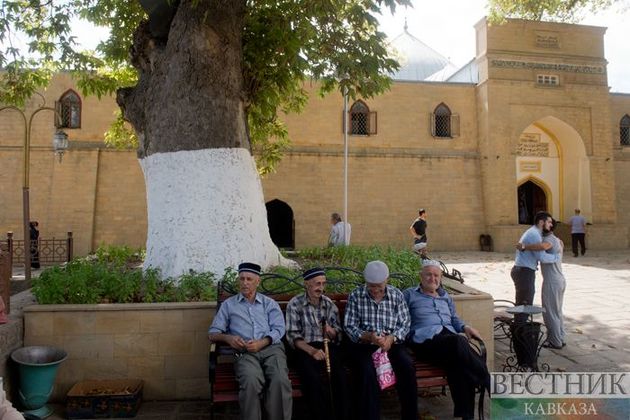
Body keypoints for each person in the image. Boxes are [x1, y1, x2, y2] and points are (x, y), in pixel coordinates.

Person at [404, 260, 490, 420]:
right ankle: (487, 379)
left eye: (436, 275)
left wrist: (466, 327)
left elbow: (455, 319)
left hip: (449, 342)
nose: (433, 278)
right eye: (428, 274)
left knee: (459, 362)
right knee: (459, 343)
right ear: (420, 276)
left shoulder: (445, 297)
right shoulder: (409, 295)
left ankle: (466, 416)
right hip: (425, 342)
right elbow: (401, 320)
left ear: (440, 277)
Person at [208, 262, 292, 420]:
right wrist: (228, 338)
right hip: (244, 352)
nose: (245, 282)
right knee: (251, 381)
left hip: (271, 349)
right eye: (241, 279)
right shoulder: (229, 305)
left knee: (280, 380)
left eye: (249, 279)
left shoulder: (269, 304)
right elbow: (212, 333)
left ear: (257, 281)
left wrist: (263, 342)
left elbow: (279, 329)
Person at [344, 260, 417, 420]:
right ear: (365, 282)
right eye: (371, 286)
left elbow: (405, 324)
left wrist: (391, 338)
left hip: (392, 343)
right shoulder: (356, 295)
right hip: (365, 344)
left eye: (379, 286)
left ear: (387, 280)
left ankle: (410, 415)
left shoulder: (396, 295)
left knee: (406, 365)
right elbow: (349, 327)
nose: (376, 290)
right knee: (366, 371)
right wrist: (369, 336)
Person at [285, 267, 349, 420]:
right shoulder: (295, 304)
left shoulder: (328, 304)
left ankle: (343, 415)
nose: (321, 288)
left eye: (323, 284)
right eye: (317, 284)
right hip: (304, 349)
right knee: (312, 379)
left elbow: (338, 334)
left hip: (326, 345)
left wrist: (331, 331)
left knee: (340, 376)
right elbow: (293, 336)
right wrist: (312, 351)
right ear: (306, 284)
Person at [512, 211, 561, 324]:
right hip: (524, 271)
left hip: (524, 271)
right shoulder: (534, 234)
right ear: (541, 222)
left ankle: (520, 331)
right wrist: (557, 257)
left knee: (523, 304)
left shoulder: (535, 233)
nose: (551, 224)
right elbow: (542, 257)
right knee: (524, 306)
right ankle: (520, 335)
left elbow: (538, 248)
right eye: (548, 222)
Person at [537, 221, 567, 349]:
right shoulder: (557, 240)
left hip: (552, 281)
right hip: (559, 279)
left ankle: (555, 341)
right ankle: (560, 337)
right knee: (557, 311)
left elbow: (541, 255)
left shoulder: (548, 241)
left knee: (550, 312)